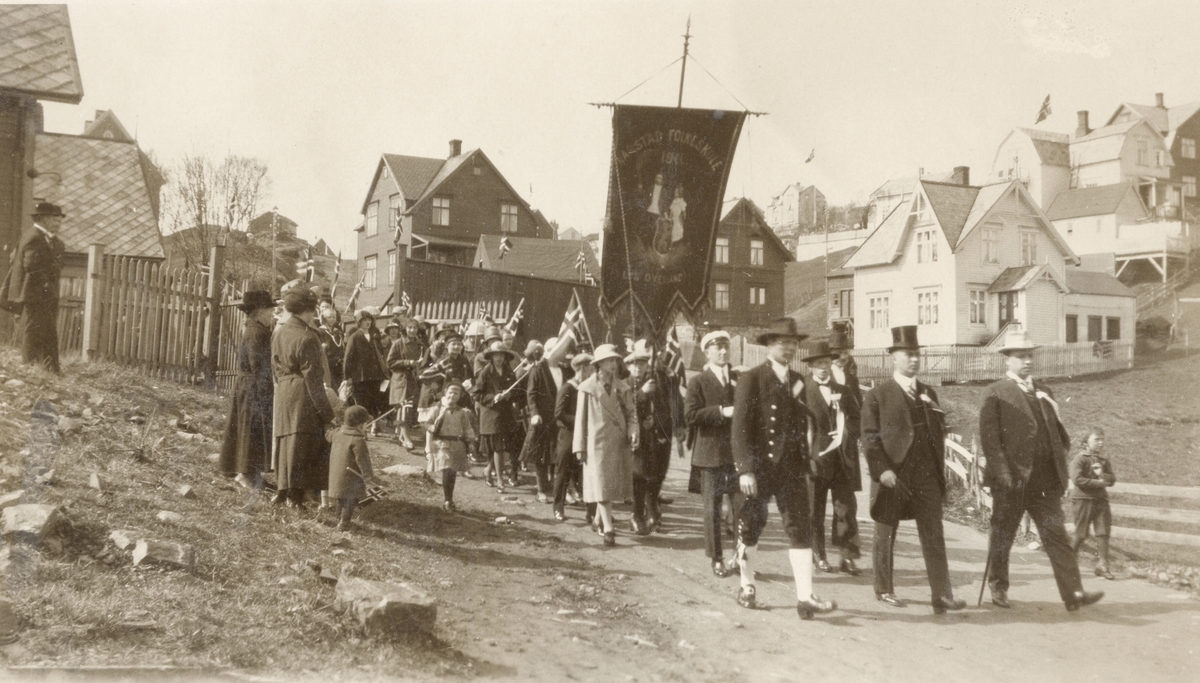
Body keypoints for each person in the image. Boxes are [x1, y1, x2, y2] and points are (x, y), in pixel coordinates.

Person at [980, 328, 1104, 611]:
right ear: (1007, 360)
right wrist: (1003, 475)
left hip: (1044, 483)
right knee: (1002, 537)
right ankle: (998, 587)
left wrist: (1060, 467)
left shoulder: (1045, 392)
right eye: (1021, 357)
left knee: (1056, 537)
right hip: (1011, 483)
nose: (1027, 362)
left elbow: (1058, 435)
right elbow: (990, 441)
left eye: (1029, 356)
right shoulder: (995, 392)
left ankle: (1073, 594)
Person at [731, 317, 836, 620]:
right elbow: (740, 428)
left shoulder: (798, 380)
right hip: (760, 467)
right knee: (751, 527)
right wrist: (745, 469)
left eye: (792, 343)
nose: (789, 348)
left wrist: (809, 457)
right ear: (768, 345)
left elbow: (806, 423)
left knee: (800, 529)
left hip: (791, 468)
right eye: (782, 343)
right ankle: (747, 585)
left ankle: (805, 597)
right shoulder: (752, 379)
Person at [863, 325, 964, 614]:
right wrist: (881, 470)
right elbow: (869, 438)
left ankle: (942, 595)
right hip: (892, 475)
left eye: (917, 354)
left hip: (926, 477)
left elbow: (937, 435)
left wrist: (940, 474)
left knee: (934, 533)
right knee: (885, 533)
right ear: (893, 358)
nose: (914, 360)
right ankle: (883, 589)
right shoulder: (878, 395)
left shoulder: (928, 393)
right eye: (908, 355)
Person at [272, 288, 336, 510]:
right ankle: (296, 498)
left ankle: (282, 490)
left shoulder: (279, 332)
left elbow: (275, 366)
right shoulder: (309, 337)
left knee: (285, 440)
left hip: (283, 391)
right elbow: (314, 380)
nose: (313, 315)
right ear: (304, 311)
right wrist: (328, 414)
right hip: (302, 394)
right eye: (311, 311)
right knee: (302, 443)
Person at [684, 330, 742, 577]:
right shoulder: (698, 382)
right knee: (713, 509)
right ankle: (716, 558)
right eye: (717, 348)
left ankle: (741, 557)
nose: (723, 352)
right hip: (710, 454)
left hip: (737, 454)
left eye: (726, 347)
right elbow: (691, 416)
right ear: (706, 352)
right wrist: (721, 412)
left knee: (742, 508)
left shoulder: (739, 378)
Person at [804, 340, 863, 577]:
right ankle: (818, 555)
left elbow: (858, 419)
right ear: (810, 367)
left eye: (826, 363)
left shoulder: (844, 390)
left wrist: (846, 432)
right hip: (816, 460)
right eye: (818, 364)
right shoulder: (804, 392)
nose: (823, 368)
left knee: (845, 508)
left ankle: (847, 556)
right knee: (814, 510)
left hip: (842, 460)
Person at [574, 344, 639, 547]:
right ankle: (609, 529)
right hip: (597, 443)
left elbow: (631, 413)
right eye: (609, 360)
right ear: (599, 364)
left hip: (618, 441)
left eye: (615, 360)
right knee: (602, 485)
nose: (613, 364)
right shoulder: (587, 388)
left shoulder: (623, 387)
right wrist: (579, 446)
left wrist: (633, 430)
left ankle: (598, 520)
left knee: (610, 485)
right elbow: (580, 419)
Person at [218, 290, 276, 488]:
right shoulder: (256, 332)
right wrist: (267, 393)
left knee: (251, 428)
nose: (272, 314)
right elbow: (258, 366)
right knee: (249, 429)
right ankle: (244, 474)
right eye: (270, 310)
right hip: (253, 387)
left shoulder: (256, 329)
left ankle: (250, 471)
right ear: (259, 311)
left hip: (251, 385)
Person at [1, 202, 66, 374]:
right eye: (55, 219)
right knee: (33, 329)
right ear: (43, 218)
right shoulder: (34, 237)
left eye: (60, 220)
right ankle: (30, 366)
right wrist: (46, 283)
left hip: (44, 293)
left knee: (48, 330)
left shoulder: (44, 237)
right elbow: (31, 265)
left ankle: (51, 368)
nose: (58, 223)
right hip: (35, 293)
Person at [627, 340, 676, 533]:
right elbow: (626, 407)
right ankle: (637, 515)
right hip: (637, 438)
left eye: (642, 364)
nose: (638, 368)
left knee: (657, 475)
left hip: (657, 437)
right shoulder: (626, 384)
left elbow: (665, 405)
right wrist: (641, 393)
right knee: (639, 477)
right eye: (634, 364)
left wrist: (656, 420)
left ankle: (653, 506)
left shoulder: (655, 381)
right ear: (629, 366)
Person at [473, 341, 523, 493]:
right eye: (496, 355)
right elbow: (477, 394)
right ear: (491, 357)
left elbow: (516, 391)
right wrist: (494, 398)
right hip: (491, 415)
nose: (499, 358)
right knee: (499, 448)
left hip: (506, 414)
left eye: (502, 355)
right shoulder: (486, 372)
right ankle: (500, 480)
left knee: (501, 447)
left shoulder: (509, 371)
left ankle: (488, 471)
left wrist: (509, 395)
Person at [1070, 427, 1116, 580]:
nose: (1101, 443)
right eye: (1097, 439)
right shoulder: (1080, 459)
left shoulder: (1103, 461)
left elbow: (1112, 480)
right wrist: (1099, 482)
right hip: (1083, 500)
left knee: (1103, 532)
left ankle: (1102, 565)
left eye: (1102, 439)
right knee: (1081, 533)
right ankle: (1067, 563)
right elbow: (1077, 479)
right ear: (1085, 442)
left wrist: (1101, 474)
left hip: (1101, 500)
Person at [553, 351, 590, 522]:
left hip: (586, 435)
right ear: (581, 368)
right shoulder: (568, 387)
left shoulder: (589, 387)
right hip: (568, 435)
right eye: (589, 368)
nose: (592, 371)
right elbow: (559, 413)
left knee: (588, 474)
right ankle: (558, 507)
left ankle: (593, 511)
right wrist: (580, 421)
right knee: (563, 472)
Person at [523, 339, 561, 503]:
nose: (554, 352)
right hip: (542, 418)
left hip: (559, 418)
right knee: (540, 454)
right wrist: (534, 413)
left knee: (556, 454)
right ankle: (541, 489)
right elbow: (531, 394)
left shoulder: (563, 369)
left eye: (557, 349)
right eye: (551, 349)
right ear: (546, 351)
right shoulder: (538, 369)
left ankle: (557, 487)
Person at [327, 405, 376, 531]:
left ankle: (338, 519)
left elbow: (328, 435)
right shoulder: (358, 440)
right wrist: (368, 476)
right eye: (366, 424)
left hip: (335, 477)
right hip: (350, 478)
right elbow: (363, 461)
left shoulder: (337, 433)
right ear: (360, 425)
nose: (366, 427)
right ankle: (344, 523)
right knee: (349, 502)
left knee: (340, 499)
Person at [429, 382, 476, 512]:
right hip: (442, 443)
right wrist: (432, 428)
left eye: (456, 393)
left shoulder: (462, 412)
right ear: (445, 392)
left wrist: (470, 442)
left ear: (460, 396)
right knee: (447, 468)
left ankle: (449, 498)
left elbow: (467, 428)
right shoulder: (437, 408)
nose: (453, 395)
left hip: (457, 444)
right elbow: (427, 423)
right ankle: (447, 500)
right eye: (451, 392)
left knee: (453, 472)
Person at [387, 318, 427, 450]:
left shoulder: (420, 345)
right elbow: (390, 363)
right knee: (403, 408)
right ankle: (407, 439)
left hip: (414, 380)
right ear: (405, 329)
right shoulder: (398, 343)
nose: (412, 330)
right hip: (401, 380)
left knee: (410, 410)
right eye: (409, 328)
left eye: (415, 328)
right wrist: (408, 362)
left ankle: (402, 435)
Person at [343, 310, 389, 424]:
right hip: (361, 376)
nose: (367, 322)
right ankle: (361, 428)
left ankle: (373, 424)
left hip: (374, 376)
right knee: (362, 403)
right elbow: (348, 358)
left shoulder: (374, 337)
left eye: (369, 320)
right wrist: (348, 376)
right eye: (364, 320)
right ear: (359, 322)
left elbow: (380, 355)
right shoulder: (354, 337)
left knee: (374, 402)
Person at [315, 297, 345, 389]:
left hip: (339, 367)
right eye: (329, 317)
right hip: (327, 367)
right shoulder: (319, 332)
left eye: (334, 317)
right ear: (323, 318)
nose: (332, 319)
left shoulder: (338, 332)